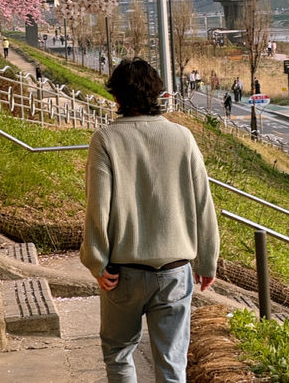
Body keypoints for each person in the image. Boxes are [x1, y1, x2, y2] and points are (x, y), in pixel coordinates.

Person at [80, 57, 219, 383]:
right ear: (157, 94)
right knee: (172, 365)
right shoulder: (182, 138)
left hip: (122, 274)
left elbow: (98, 208)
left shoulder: (105, 140)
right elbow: (203, 204)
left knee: (118, 354)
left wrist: (96, 262)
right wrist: (206, 262)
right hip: (174, 273)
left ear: (116, 98)